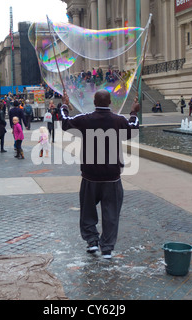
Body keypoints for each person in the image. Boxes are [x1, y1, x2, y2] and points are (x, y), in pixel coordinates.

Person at [60, 89, 140, 259]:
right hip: (112, 176)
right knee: (111, 212)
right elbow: (133, 128)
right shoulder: (118, 120)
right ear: (110, 102)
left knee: (88, 210)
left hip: (90, 175)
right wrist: (134, 111)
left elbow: (65, 122)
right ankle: (107, 248)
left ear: (94, 103)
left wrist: (64, 105)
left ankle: (92, 242)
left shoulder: (85, 119)